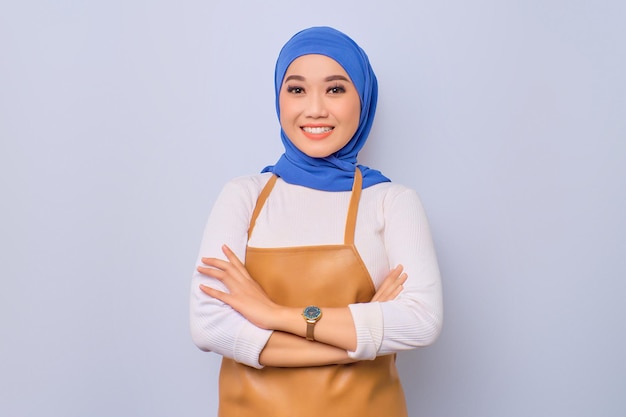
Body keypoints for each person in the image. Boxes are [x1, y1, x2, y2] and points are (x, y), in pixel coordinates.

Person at [189, 26, 443, 417]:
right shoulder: (244, 196)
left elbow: (421, 321)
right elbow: (210, 326)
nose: (315, 109)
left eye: (336, 89)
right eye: (297, 89)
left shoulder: (392, 202)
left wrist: (275, 315)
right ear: (279, 98)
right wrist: (358, 340)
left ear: (363, 100)